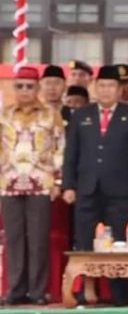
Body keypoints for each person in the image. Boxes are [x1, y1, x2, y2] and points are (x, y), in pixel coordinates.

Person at [62, 65, 128, 307]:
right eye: (101, 86)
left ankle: (119, 293)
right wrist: (69, 185)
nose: (106, 90)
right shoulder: (81, 115)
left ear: (120, 89)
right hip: (86, 188)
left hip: (120, 190)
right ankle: (85, 290)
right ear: (94, 88)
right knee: (84, 240)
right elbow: (71, 154)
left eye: (111, 86)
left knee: (119, 241)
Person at [0, 68, 65, 306]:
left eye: (29, 86)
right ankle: (15, 290)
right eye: (20, 86)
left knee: (38, 239)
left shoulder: (51, 114)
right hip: (9, 183)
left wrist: (57, 181)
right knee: (13, 238)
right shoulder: (4, 115)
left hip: (41, 183)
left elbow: (60, 148)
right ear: (13, 88)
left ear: (37, 88)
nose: (25, 91)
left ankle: (38, 291)